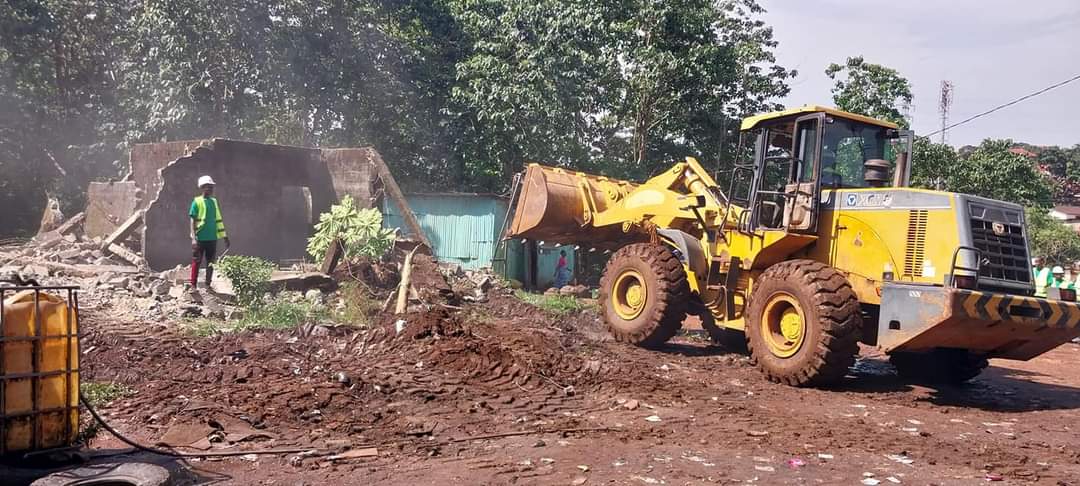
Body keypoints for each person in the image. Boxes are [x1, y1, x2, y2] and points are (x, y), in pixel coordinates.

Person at [189, 175, 230, 288]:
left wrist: (224, 236)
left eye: (211, 187)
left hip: (212, 238)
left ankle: (208, 285)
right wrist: (193, 238)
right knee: (196, 261)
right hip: (200, 238)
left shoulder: (214, 202)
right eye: (208, 187)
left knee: (210, 263)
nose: (210, 189)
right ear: (202, 187)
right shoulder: (196, 202)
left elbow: (218, 220)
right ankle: (193, 285)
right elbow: (192, 221)